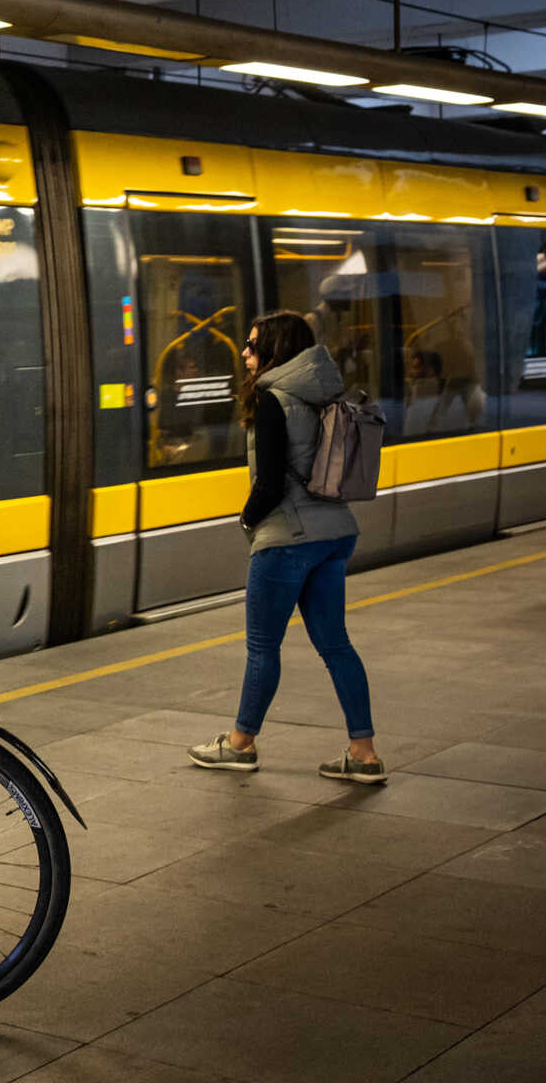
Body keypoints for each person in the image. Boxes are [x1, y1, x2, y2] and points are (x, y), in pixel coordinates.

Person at [188, 310, 387, 783]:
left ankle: (240, 745)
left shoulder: (272, 398)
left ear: (276, 350)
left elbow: (271, 482)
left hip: (287, 539)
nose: (245, 352)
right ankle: (364, 754)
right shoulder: (325, 391)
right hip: (334, 532)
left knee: (262, 648)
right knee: (336, 644)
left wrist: (247, 519)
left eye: (254, 345)